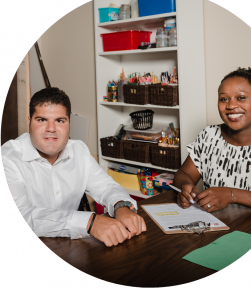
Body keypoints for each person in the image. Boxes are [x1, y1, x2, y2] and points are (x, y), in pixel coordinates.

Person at [1, 87, 146, 247]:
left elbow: (105, 187)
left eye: (59, 120)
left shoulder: (79, 150)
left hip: (69, 249)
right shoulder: (7, 159)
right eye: (42, 120)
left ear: (69, 122)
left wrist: (121, 206)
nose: (51, 128)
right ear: (29, 122)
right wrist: (89, 222)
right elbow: (24, 214)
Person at [174, 67, 251, 213]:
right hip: (214, 227)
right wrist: (186, 187)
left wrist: (232, 195)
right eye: (224, 99)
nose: (231, 105)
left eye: (241, 98)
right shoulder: (208, 136)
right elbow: (184, 174)